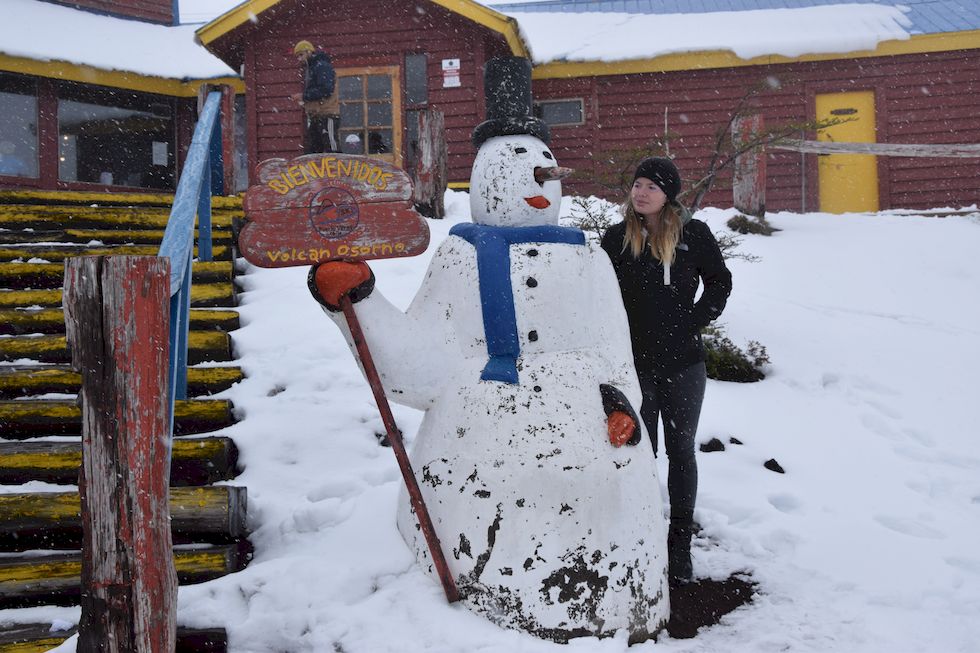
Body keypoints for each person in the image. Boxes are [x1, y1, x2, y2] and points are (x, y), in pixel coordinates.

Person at [600, 156, 732, 584]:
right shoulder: (616, 238)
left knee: (681, 449)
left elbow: (720, 281)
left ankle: (679, 547)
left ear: (668, 194)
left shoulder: (693, 235)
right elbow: (598, 291)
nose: (641, 193)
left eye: (651, 187)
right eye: (637, 184)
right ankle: (641, 535)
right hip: (634, 364)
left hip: (683, 364)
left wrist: (694, 320)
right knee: (641, 452)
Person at [290, 40, 339, 153]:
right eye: (298, 56)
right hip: (316, 115)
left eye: (301, 55)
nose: (299, 59)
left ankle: (336, 170)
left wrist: (304, 96)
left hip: (327, 114)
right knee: (314, 152)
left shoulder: (321, 66)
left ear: (309, 52)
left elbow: (326, 90)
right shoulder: (312, 68)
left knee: (332, 149)